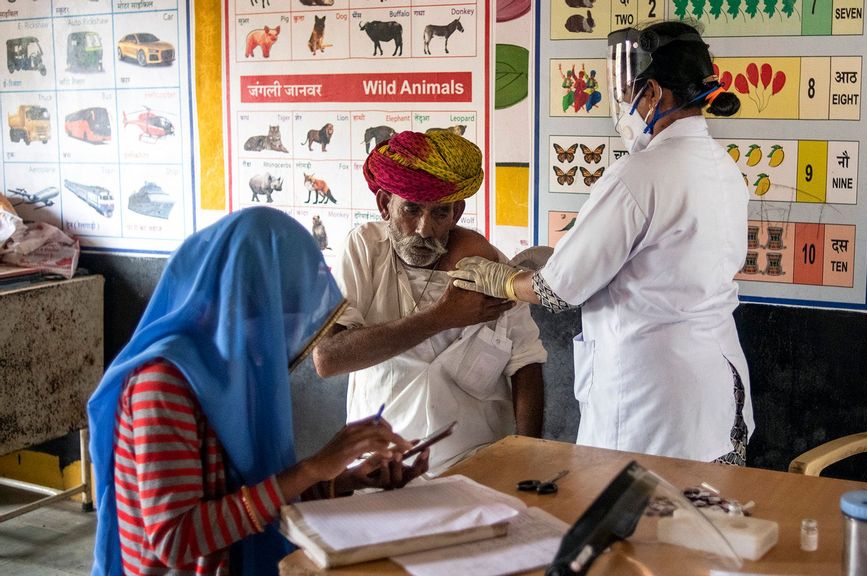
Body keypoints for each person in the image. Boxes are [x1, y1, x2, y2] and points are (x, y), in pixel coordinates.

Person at [450, 21, 754, 465]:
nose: (626, 104)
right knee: (705, 523)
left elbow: (558, 290)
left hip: (651, 404)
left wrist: (501, 279)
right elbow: (661, 263)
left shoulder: (639, 174)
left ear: (654, 94)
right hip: (716, 388)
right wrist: (562, 262)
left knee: (643, 526)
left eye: (631, 92)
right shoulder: (723, 167)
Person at [87, 207, 428, 576]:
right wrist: (312, 467)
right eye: (282, 307)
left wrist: (344, 479)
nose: (288, 330)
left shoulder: (237, 372)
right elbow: (175, 540)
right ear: (240, 299)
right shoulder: (163, 384)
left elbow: (257, 499)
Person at [313, 130, 547, 473]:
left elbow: (526, 363)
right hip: (381, 471)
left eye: (440, 213)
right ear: (384, 205)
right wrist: (440, 317)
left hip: (476, 464)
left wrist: (530, 458)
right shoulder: (364, 249)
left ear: (456, 213)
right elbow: (328, 358)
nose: (424, 229)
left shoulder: (492, 269)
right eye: (411, 209)